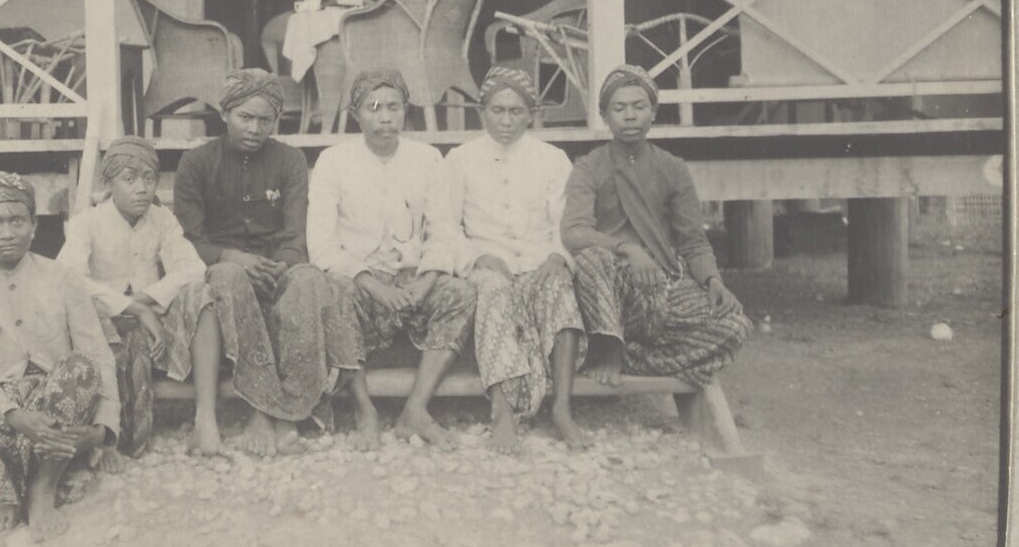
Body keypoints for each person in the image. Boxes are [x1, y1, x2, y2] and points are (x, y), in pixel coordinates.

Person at [0, 171, 122, 541]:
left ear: (34, 226)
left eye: (17, 221)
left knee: (80, 368)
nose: (7, 233)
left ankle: (42, 489)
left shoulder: (64, 277)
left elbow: (97, 356)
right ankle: (5, 490)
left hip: (61, 407)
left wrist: (103, 430)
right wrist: (16, 416)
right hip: (2, 410)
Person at [173, 69, 346, 456]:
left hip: (275, 266)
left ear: (276, 120)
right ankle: (260, 409)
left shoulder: (290, 161)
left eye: (265, 120)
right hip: (224, 265)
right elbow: (189, 238)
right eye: (245, 117)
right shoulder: (196, 163)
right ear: (225, 113)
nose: (254, 128)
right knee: (229, 277)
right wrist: (230, 256)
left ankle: (289, 410)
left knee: (307, 280)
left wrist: (281, 265)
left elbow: (295, 233)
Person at [306, 68, 476, 450]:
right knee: (332, 291)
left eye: (394, 107)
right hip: (361, 283)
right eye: (373, 108)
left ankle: (415, 409)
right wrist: (372, 284)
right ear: (355, 113)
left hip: (413, 281)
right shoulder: (333, 162)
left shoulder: (428, 159)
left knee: (460, 293)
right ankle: (363, 408)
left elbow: (444, 231)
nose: (385, 117)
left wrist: (426, 280)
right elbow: (321, 245)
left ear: (405, 110)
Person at [561, 65, 750, 389]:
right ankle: (609, 347)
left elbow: (693, 241)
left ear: (654, 113)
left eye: (639, 106)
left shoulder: (673, 168)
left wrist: (712, 279)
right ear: (604, 116)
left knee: (735, 326)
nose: (630, 116)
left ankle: (629, 357)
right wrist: (627, 250)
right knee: (592, 258)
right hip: (611, 293)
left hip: (663, 287)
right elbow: (574, 232)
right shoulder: (588, 167)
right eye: (619, 108)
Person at [446, 67, 588, 453]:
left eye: (515, 111)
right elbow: (446, 226)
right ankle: (503, 412)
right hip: (489, 263)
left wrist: (558, 256)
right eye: (497, 111)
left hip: (539, 259)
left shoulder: (552, 159)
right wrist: (476, 256)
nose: (506, 121)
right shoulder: (460, 159)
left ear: (531, 115)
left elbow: (566, 222)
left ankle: (562, 407)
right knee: (493, 291)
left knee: (559, 286)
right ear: (482, 112)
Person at [57, 137, 226, 456]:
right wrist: (130, 307)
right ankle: (106, 431)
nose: (141, 188)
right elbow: (68, 278)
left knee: (201, 293)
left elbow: (193, 268)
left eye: (149, 179)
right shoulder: (86, 223)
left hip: (154, 321)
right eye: (129, 179)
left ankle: (206, 418)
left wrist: (145, 301)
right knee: (88, 311)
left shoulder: (162, 219)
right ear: (108, 183)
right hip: (108, 322)